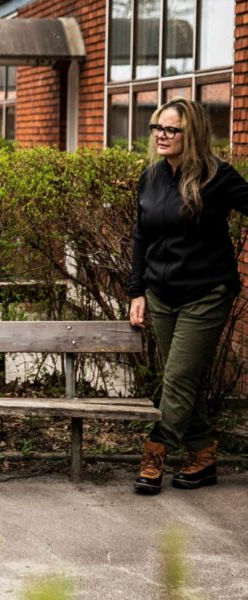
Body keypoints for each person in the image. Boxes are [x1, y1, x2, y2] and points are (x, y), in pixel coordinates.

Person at [128, 97, 248, 495]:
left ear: (191, 133)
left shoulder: (218, 177)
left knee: (178, 377)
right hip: (161, 294)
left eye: (171, 129)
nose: (161, 136)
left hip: (207, 293)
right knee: (184, 378)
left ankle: (154, 452)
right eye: (157, 128)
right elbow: (142, 237)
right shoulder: (151, 177)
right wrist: (137, 291)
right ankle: (203, 454)